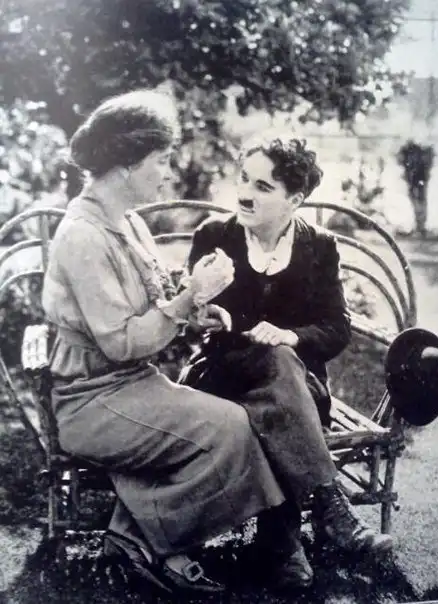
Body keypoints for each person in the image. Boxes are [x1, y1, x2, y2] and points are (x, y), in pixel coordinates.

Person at [41, 90, 310, 597]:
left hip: (129, 385)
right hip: (91, 400)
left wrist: (194, 311)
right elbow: (123, 343)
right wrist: (188, 298)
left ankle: (138, 535)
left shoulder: (126, 222)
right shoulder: (83, 235)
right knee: (229, 430)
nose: (167, 174)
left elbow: (155, 311)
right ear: (126, 164)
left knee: (233, 424)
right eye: (160, 160)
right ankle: (147, 540)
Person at [180, 133, 394, 586]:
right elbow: (191, 313)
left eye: (262, 186)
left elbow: (336, 328)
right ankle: (315, 518)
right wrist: (207, 314)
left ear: (295, 199)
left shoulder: (319, 246)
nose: (244, 194)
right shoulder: (214, 236)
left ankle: (282, 546)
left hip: (295, 386)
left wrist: (291, 336)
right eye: (243, 179)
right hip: (221, 378)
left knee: (281, 369)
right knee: (280, 384)